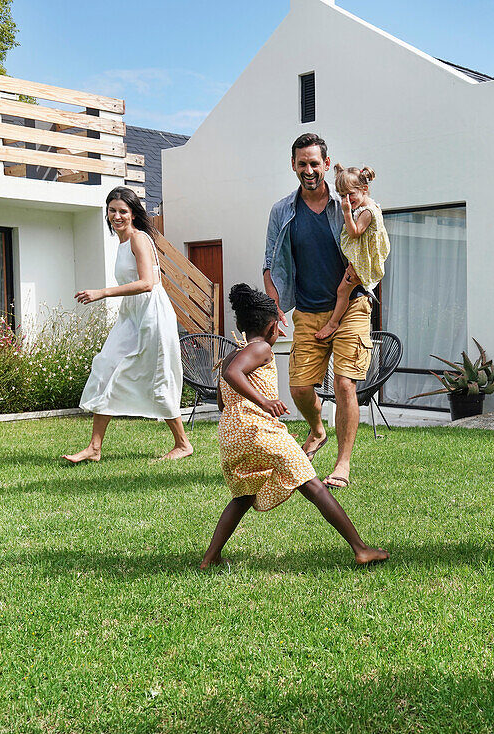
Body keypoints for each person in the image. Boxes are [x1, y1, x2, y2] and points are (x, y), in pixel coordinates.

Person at [199, 283, 388, 568]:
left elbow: (223, 400)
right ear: (273, 327)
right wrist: (264, 402)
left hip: (231, 435)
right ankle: (361, 549)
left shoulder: (231, 354)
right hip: (259, 430)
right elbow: (234, 374)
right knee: (314, 486)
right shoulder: (260, 348)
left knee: (243, 495)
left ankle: (210, 557)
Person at [263, 133, 372, 490]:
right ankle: (317, 429)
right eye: (302, 163)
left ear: (327, 164)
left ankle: (342, 464)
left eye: (314, 163)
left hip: (351, 303)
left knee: (344, 383)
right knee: (298, 389)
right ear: (293, 165)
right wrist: (274, 309)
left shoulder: (347, 204)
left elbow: (372, 243)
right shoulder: (282, 211)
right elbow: (269, 264)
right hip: (308, 312)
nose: (308, 170)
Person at [63, 187, 193, 464]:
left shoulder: (139, 238)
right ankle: (94, 448)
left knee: (159, 376)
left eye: (123, 211)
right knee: (105, 364)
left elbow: (148, 283)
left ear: (133, 214)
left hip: (152, 315)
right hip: (131, 316)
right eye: (112, 210)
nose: (117, 216)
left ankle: (183, 444)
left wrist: (102, 292)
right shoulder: (122, 243)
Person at [313, 163, 391, 342]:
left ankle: (333, 323)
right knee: (343, 291)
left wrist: (347, 213)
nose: (346, 199)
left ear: (364, 189)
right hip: (360, 259)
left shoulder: (368, 211)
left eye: (350, 194)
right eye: (341, 195)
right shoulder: (368, 206)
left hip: (362, 264)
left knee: (342, 291)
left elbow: (355, 232)